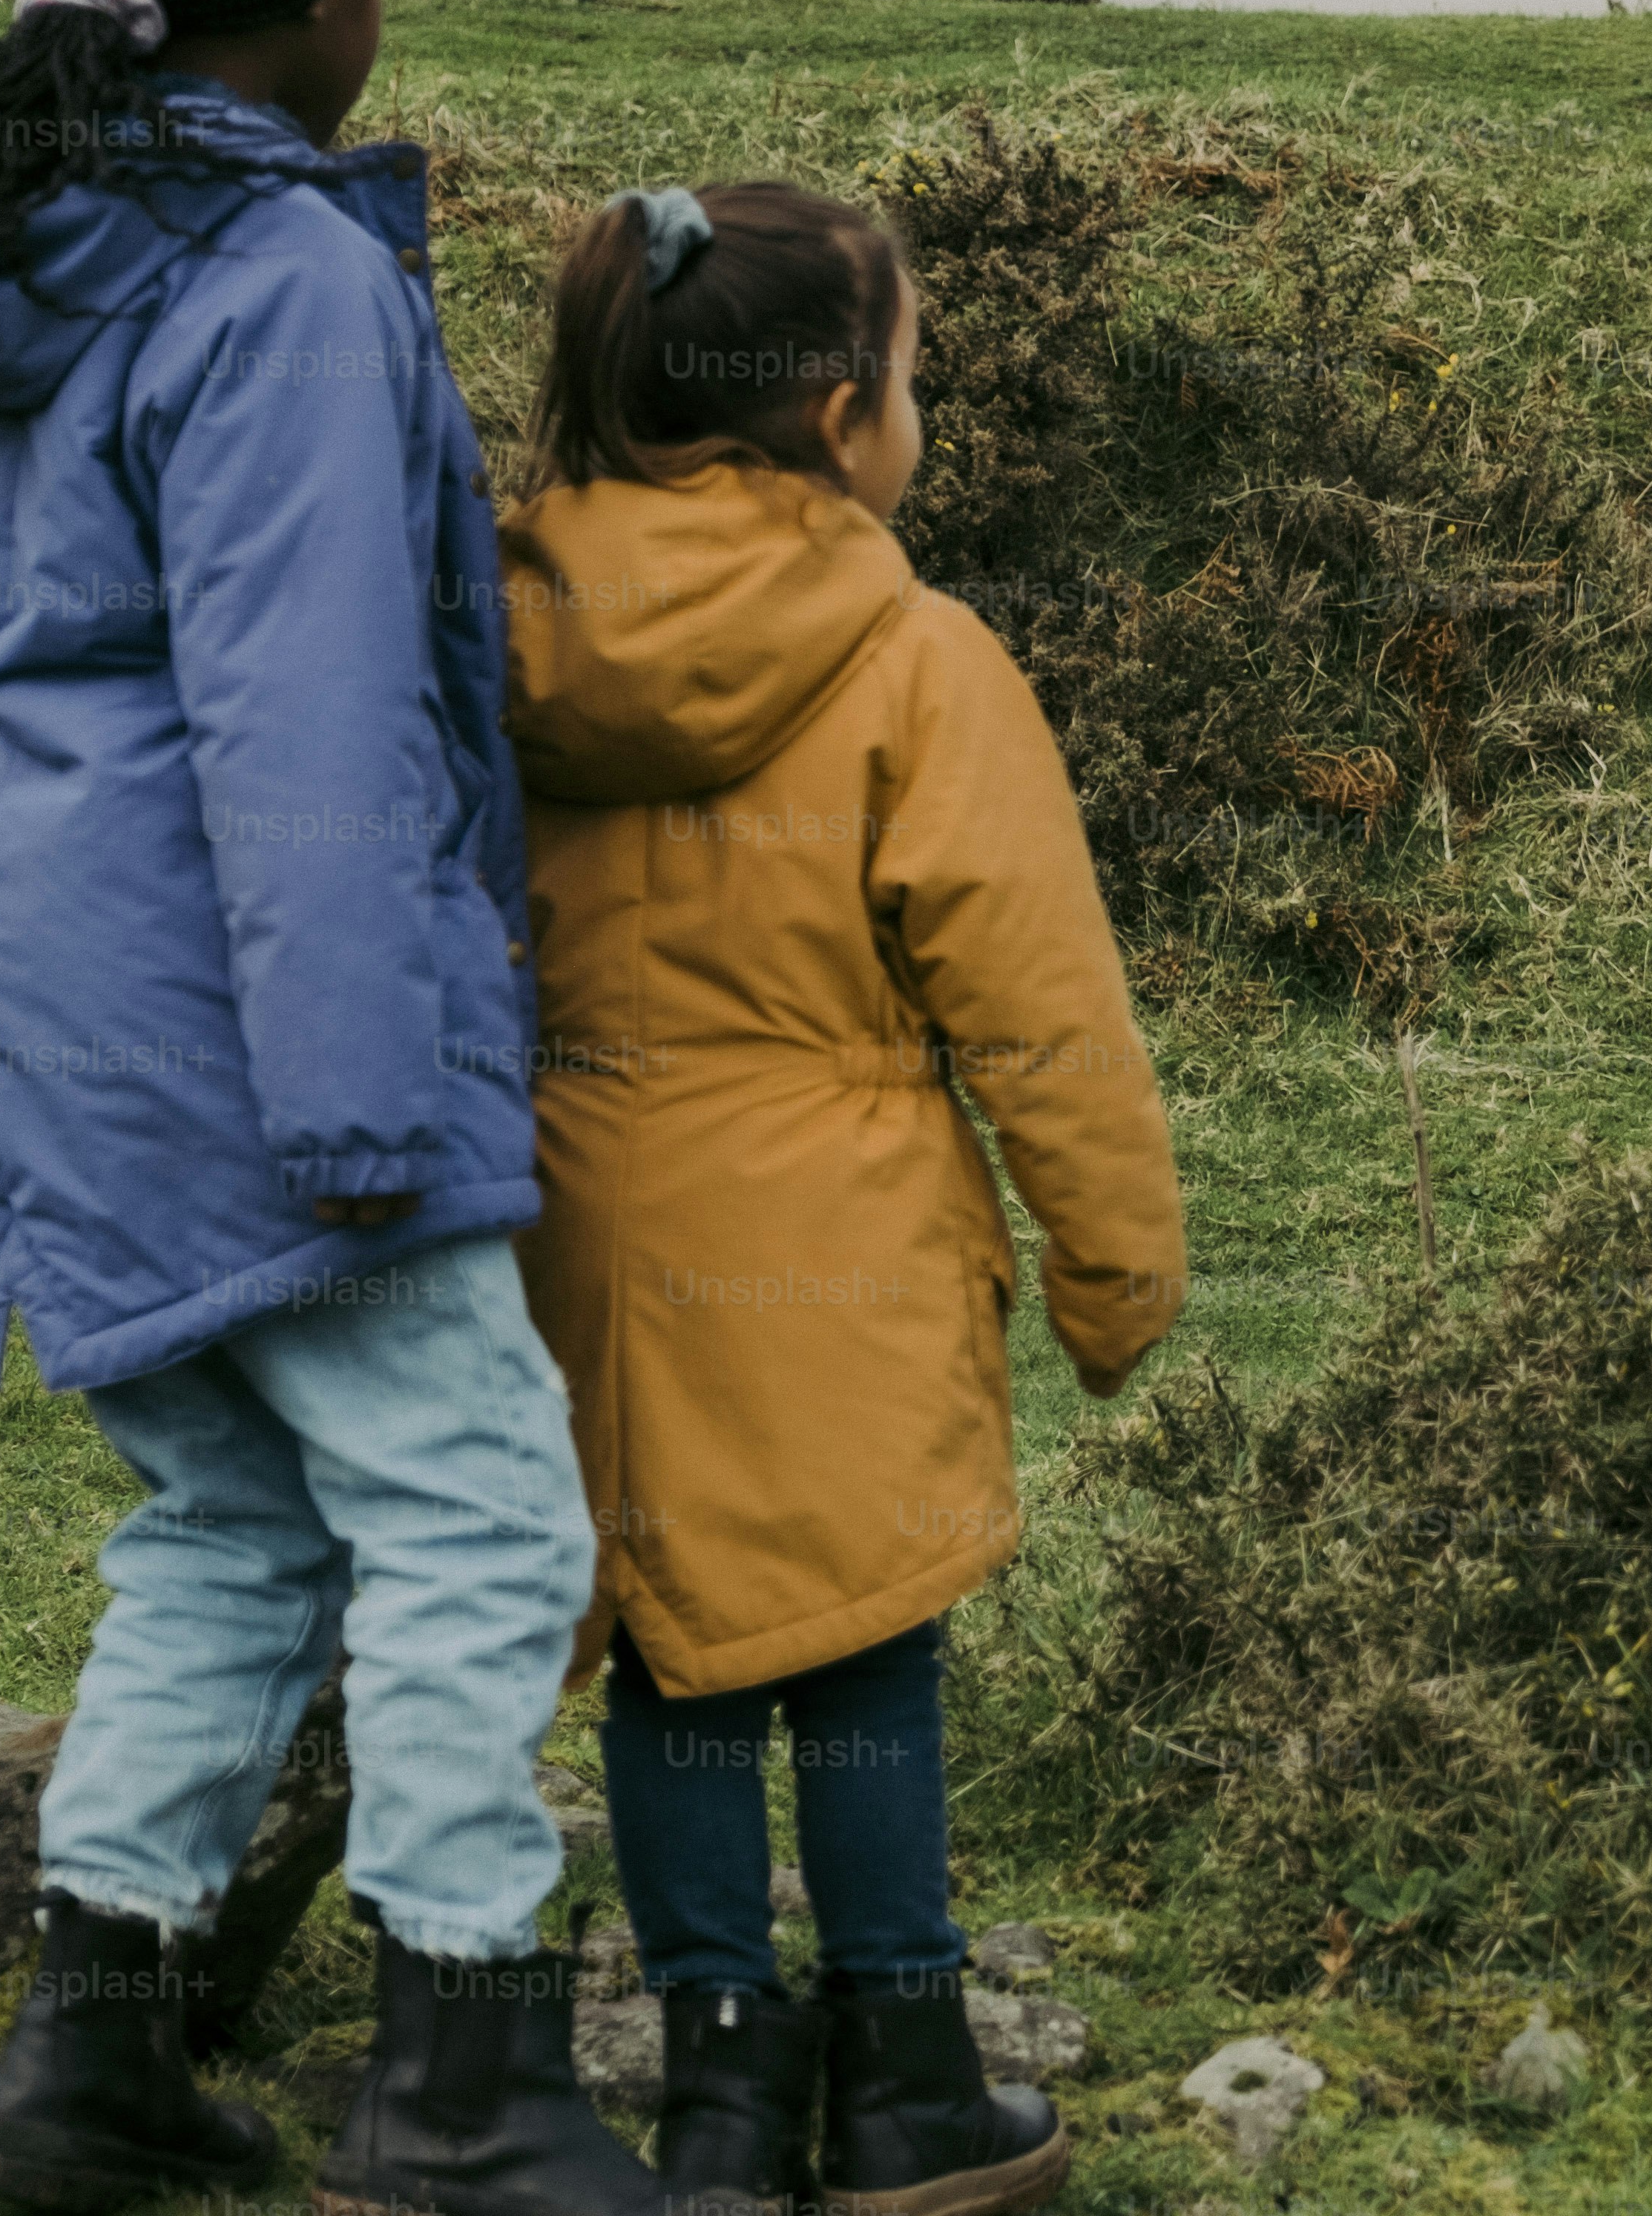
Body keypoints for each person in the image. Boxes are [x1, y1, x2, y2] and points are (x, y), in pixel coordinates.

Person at [0, 0, 656, 2216]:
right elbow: (304, 717)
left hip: (43, 965)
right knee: (486, 1510)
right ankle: (468, 2078)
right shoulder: (275, 272)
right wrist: (370, 1103)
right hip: (260, 1001)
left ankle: (94, 2064)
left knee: (235, 1522)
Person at [498, 181, 1185, 2216]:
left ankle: (715, 2098)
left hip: (575, 1242)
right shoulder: (914, 650)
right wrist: (1113, 1266)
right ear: (828, 413)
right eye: (911, 375)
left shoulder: (501, 617)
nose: (922, 411)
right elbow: (1037, 1000)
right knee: (864, 1645)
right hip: (845, 1234)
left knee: (672, 1646)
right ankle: (904, 2073)